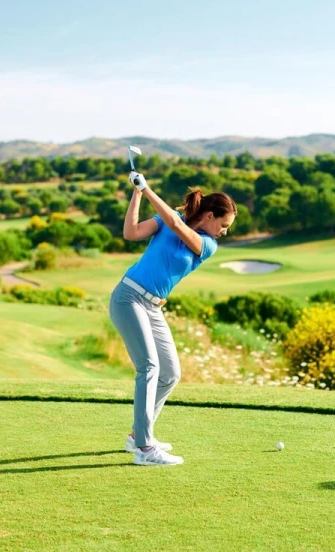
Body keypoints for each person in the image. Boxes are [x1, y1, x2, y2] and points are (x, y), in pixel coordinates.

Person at [110, 169, 236, 466]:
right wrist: (137, 193)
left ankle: (138, 435)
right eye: (224, 225)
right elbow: (131, 233)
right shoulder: (167, 221)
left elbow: (176, 226)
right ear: (209, 216)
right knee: (149, 367)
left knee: (170, 374)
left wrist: (147, 188)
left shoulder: (207, 245)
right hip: (128, 297)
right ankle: (144, 448)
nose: (224, 232)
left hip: (153, 307)